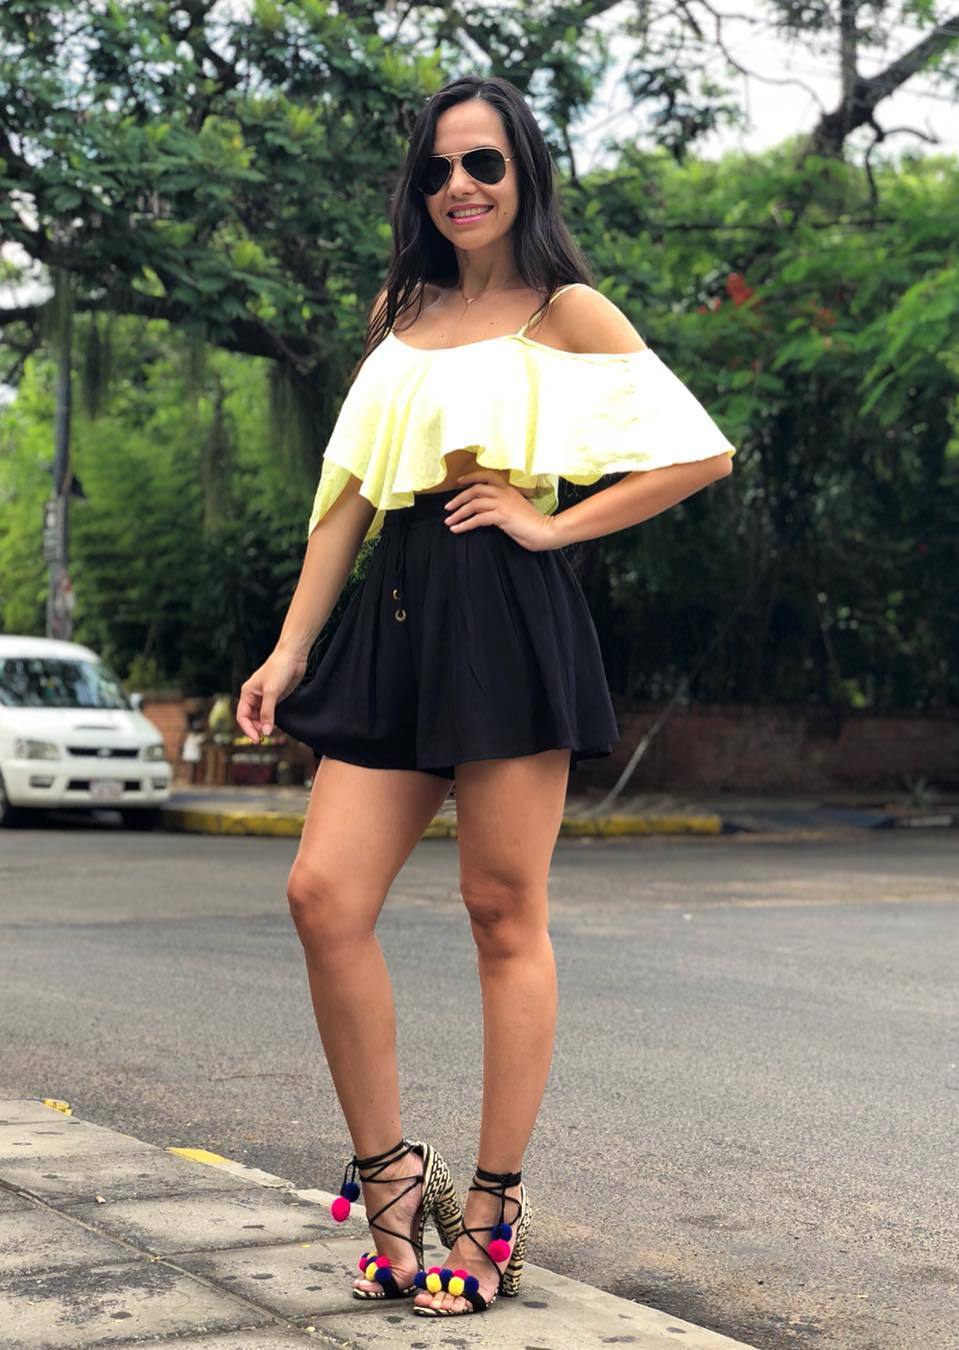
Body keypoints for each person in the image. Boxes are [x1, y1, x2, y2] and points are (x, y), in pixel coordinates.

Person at [235, 74, 735, 1320]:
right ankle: (393, 1180)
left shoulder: (567, 311)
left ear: (524, 175)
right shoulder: (397, 312)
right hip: (397, 612)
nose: (459, 186)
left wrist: (551, 526)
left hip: (507, 612)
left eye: (484, 165)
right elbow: (351, 494)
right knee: (322, 895)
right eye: (438, 170)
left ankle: (496, 1210)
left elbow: (699, 451)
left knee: (501, 911)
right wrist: (290, 650)